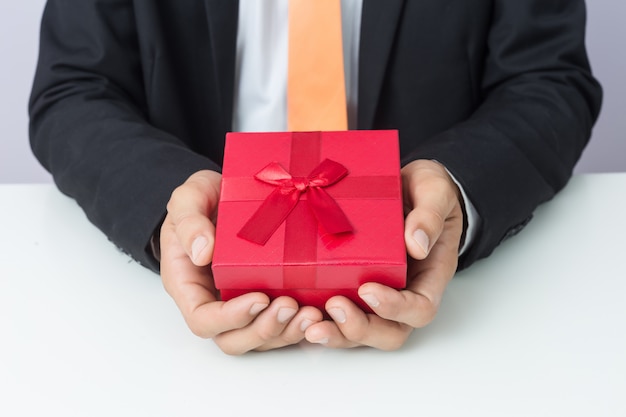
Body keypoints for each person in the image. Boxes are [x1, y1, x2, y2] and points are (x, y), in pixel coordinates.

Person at [29, 0, 602, 355]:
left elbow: (549, 80)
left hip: (454, 335)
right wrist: (170, 208)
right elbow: (74, 87)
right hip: (163, 339)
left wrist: (456, 185)